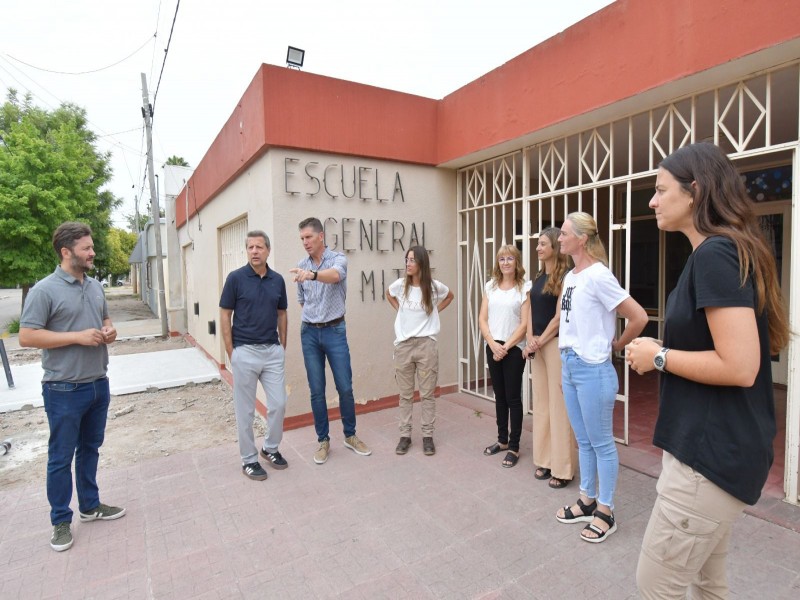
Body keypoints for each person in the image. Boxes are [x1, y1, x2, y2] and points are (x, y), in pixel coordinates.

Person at [627, 143, 790, 597]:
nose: (652, 201)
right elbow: (721, 348)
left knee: (656, 584)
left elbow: (740, 366)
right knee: (706, 583)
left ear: (694, 192)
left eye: (660, 190)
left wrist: (658, 357)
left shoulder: (715, 255)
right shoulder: (720, 253)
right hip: (717, 453)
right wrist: (667, 348)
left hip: (708, 457)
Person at [19, 222, 126, 552]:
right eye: (86, 248)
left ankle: (90, 506)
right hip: (63, 389)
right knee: (60, 457)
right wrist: (77, 337)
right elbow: (27, 336)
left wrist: (110, 331)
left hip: (98, 383)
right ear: (66, 252)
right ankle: (60, 521)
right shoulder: (44, 291)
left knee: (91, 449)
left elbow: (107, 322)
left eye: (92, 247)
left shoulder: (95, 286)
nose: (93, 252)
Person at [554, 212, 647, 543]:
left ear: (581, 239)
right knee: (584, 441)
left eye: (564, 233)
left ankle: (606, 511)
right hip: (570, 366)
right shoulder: (571, 277)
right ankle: (587, 499)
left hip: (593, 368)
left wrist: (618, 345)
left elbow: (637, 316)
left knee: (602, 443)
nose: (559, 238)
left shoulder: (598, 275)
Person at [290, 217, 371, 464]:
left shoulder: (338, 259)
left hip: (335, 330)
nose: (305, 242)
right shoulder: (301, 266)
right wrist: (308, 278)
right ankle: (323, 440)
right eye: (302, 238)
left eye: (309, 237)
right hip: (310, 333)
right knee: (316, 391)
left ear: (321, 236)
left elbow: (336, 276)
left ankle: (350, 435)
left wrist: (312, 275)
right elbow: (303, 301)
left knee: (345, 387)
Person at [219, 230, 288, 481]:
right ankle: (248, 460)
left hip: (271, 351)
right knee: (245, 411)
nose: (255, 251)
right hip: (244, 351)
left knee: (279, 403)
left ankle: (270, 448)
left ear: (268, 250)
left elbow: (282, 313)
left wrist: (282, 346)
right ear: (246, 251)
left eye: (259, 247)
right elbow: (225, 313)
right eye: (250, 247)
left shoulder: (277, 280)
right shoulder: (236, 278)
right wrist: (231, 351)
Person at [387, 245, 454, 456]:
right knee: (405, 395)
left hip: (426, 345)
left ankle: (427, 436)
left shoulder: (434, 287)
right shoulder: (400, 286)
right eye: (406, 260)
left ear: (422, 263)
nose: (408, 263)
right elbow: (388, 294)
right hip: (404, 346)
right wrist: (400, 311)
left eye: (412, 260)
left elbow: (450, 296)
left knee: (427, 395)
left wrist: (434, 311)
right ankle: (405, 436)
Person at [522, 227, 576, 489]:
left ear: (555, 247)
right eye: (538, 244)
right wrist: (531, 341)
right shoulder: (538, 277)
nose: (538, 248)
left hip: (555, 346)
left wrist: (540, 341)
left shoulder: (565, 277)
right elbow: (531, 311)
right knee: (541, 404)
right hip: (539, 347)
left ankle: (563, 468)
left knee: (559, 407)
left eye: (543, 244)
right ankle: (544, 459)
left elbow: (558, 317)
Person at [479, 245, 531, 468]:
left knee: (513, 398)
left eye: (510, 258)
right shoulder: (490, 286)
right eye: (502, 259)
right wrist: (492, 343)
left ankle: (514, 446)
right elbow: (482, 318)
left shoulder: (523, 288)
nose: (506, 262)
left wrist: (506, 347)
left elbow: (524, 323)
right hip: (493, 346)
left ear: (516, 262)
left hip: (513, 349)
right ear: (498, 263)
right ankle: (501, 440)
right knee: (499, 396)